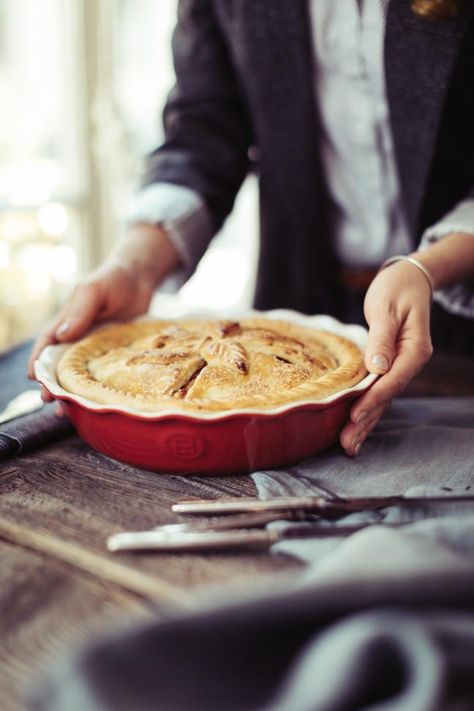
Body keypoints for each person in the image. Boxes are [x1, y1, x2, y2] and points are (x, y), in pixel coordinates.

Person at [29, 0, 474, 456]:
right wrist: (134, 266)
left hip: (457, 321)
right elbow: (204, 133)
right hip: (296, 301)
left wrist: (427, 267)